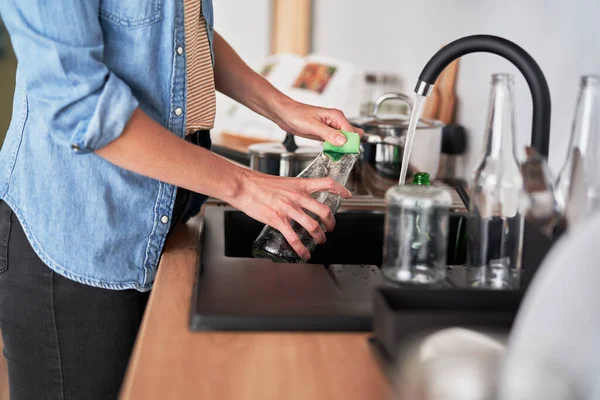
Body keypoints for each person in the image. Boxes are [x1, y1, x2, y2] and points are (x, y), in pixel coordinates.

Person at [0, 1, 362, 398]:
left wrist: (282, 108)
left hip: (158, 218)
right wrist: (245, 186)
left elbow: (180, 32)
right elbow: (79, 107)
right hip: (75, 234)